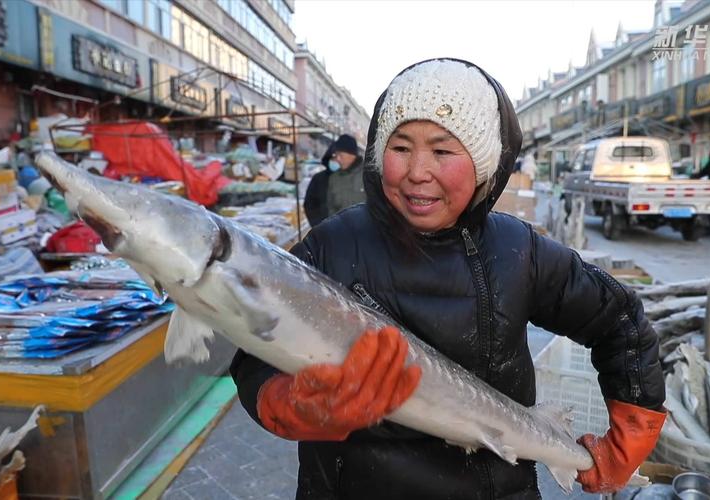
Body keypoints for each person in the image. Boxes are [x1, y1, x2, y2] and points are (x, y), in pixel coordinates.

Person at [231, 58, 665, 499]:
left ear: (483, 164)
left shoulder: (519, 251)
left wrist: (631, 431)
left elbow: (619, 321)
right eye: (400, 148)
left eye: (442, 151)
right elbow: (254, 351)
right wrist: (288, 402)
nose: (418, 171)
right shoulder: (331, 247)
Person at [303, 134, 366, 226]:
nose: (337, 159)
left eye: (340, 155)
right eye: (335, 156)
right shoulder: (330, 178)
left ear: (351, 154)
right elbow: (329, 207)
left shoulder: (368, 175)